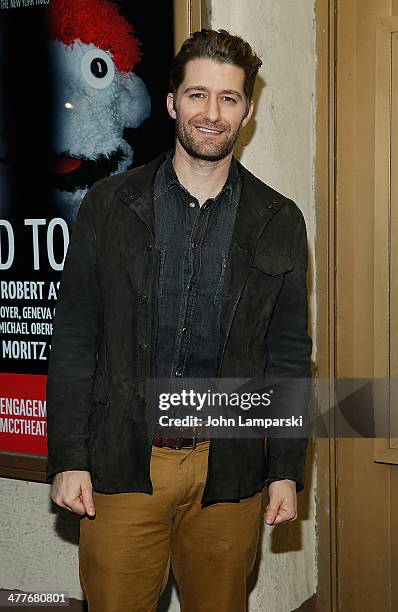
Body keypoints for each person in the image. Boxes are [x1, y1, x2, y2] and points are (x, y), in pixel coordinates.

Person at [46, 28, 312, 612]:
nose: (211, 113)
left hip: (230, 473)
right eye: (197, 95)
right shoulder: (109, 206)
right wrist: (68, 457)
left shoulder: (280, 220)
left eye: (229, 98)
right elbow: (74, 340)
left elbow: (288, 354)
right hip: (120, 467)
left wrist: (287, 469)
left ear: (248, 110)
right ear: (171, 103)